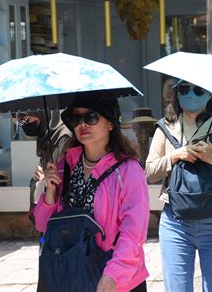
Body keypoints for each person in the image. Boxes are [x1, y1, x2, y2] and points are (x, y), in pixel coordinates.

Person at [33, 91, 149, 292]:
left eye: (91, 117)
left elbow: (133, 232)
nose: (82, 124)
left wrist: (114, 274)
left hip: (114, 278)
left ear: (111, 123)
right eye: (75, 118)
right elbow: (43, 225)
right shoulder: (65, 165)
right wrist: (49, 193)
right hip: (71, 272)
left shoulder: (128, 170)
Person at [145, 80, 212, 291]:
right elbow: (149, 172)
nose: (190, 95)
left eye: (198, 90)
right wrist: (175, 155)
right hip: (175, 222)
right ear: (176, 94)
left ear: (210, 95)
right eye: (184, 89)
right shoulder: (166, 126)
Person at [14, 110, 72, 214]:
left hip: (60, 213)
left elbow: (62, 179)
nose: (24, 125)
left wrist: (46, 179)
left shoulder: (64, 138)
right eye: (20, 122)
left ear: (43, 114)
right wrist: (39, 177)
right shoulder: (47, 138)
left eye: (25, 119)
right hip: (48, 208)